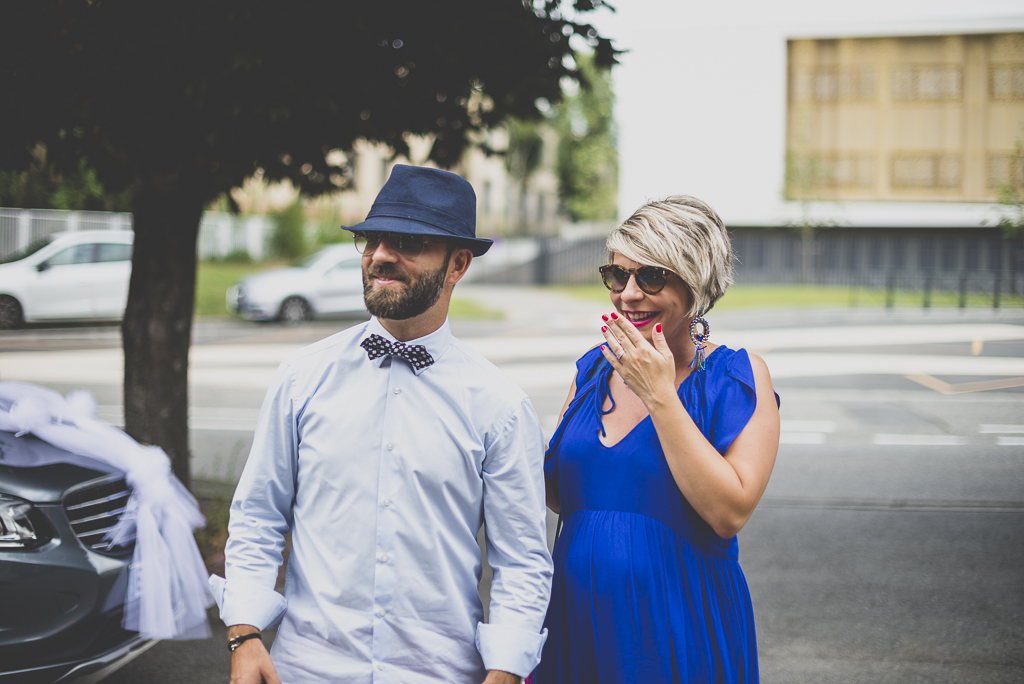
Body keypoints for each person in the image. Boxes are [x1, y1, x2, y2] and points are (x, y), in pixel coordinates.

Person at [214, 164, 553, 684]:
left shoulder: (500, 406)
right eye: (372, 240)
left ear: (458, 264)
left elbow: (522, 562)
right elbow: (259, 516)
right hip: (306, 671)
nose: (380, 255)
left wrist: (505, 671)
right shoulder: (302, 378)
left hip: (440, 673)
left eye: (408, 242)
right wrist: (245, 635)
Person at [533, 196, 781, 683]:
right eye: (616, 276)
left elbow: (729, 512)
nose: (628, 294)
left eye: (650, 277)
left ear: (695, 284)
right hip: (576, 621)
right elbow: (561, 495)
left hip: (677, 623)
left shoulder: (735, 375)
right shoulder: (592, 369)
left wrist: (660, 395)